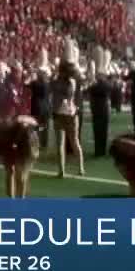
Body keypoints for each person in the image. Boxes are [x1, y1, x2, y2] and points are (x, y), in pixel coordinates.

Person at [52, 38, 85, 178]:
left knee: (65, 142)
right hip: (67, 113)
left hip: (64, 112)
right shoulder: (73, 78)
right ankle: (77, 168)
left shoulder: (66, 79)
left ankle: (65, 170)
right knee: (71, 142)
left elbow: (67, 91)